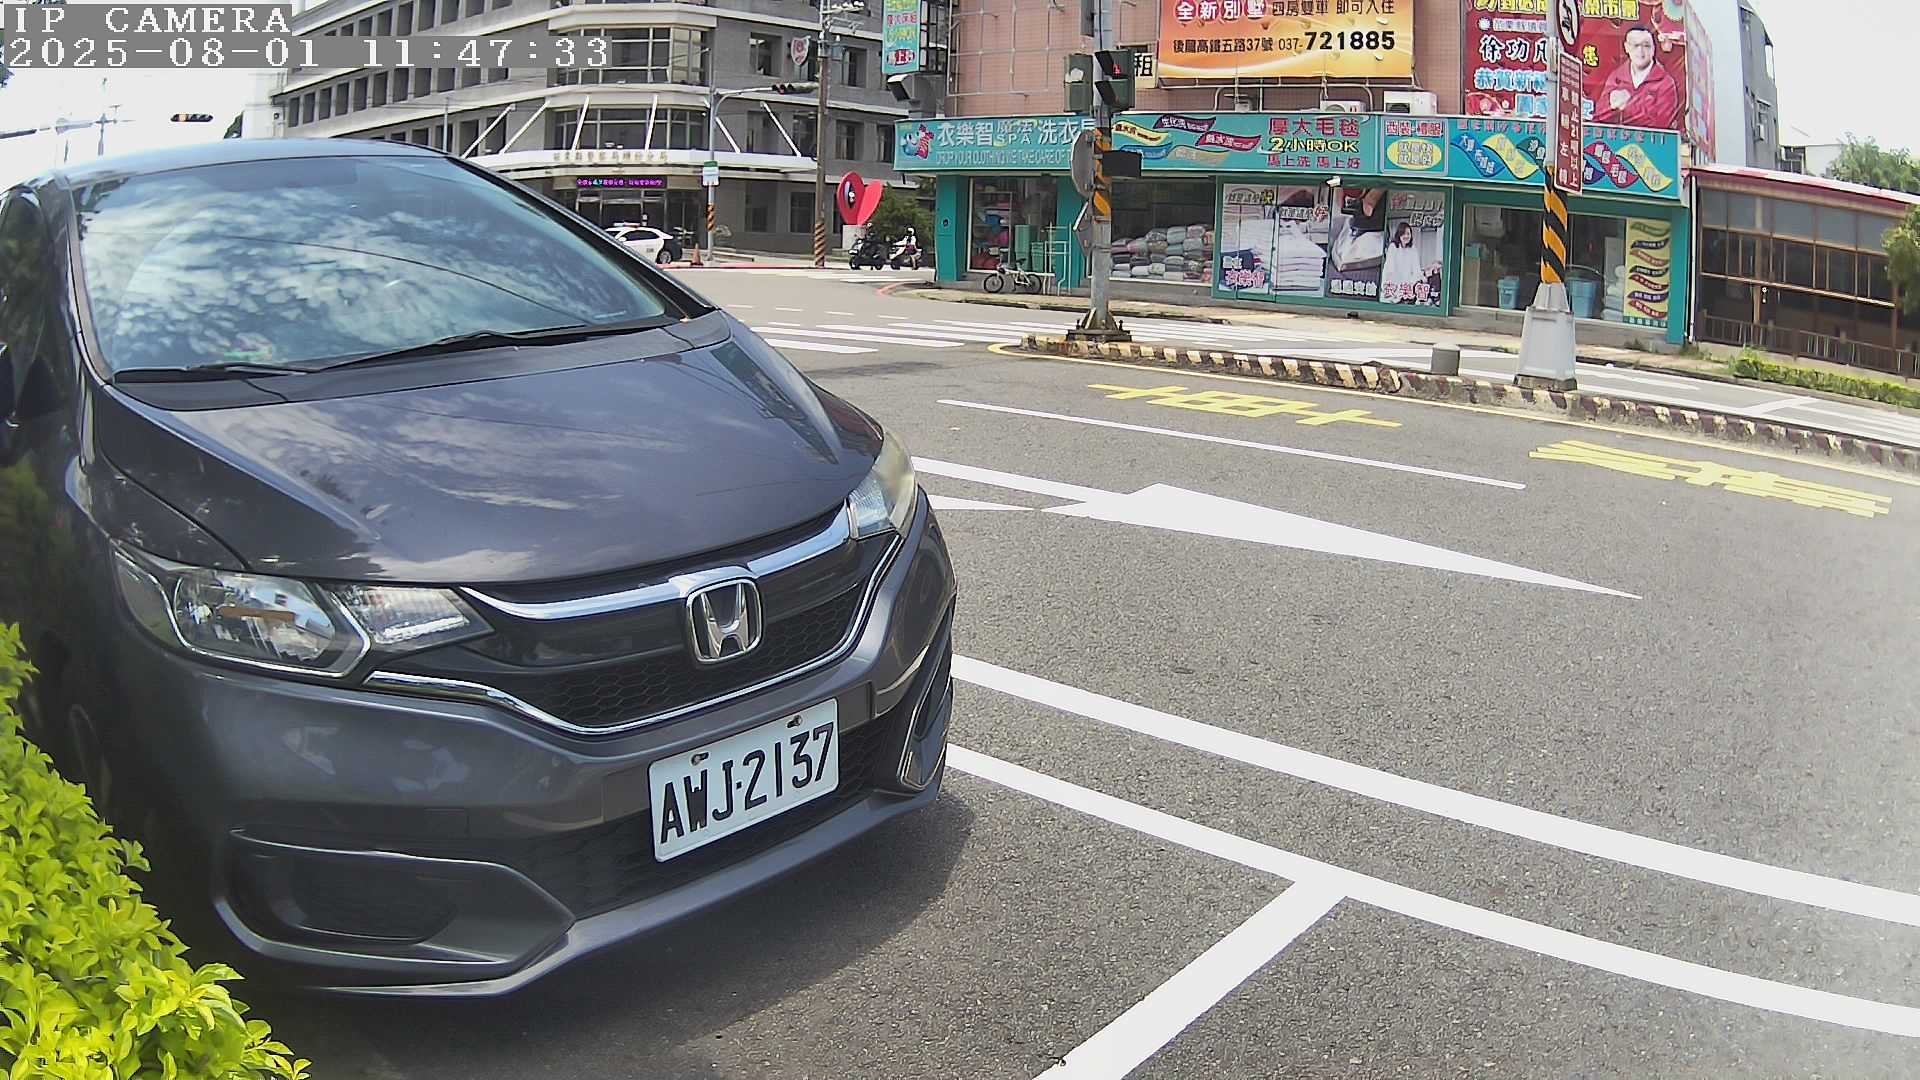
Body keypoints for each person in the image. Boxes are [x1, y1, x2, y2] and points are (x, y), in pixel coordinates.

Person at [1593, 24, 1682, 130]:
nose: (1640, 51)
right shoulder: (1616, 77)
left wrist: (1628, 105)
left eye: (1646, 46)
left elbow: (1662, 123)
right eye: (1635, 45)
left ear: (1653, 49)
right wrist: (1610, 104)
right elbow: (1598, 116)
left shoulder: (1665, 82)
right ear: (1626, 47)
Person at [1381, 222, 1427, 303]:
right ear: (1399, 235)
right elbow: (1390, 268)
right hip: (1393, 282)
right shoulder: (1393, 247)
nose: (1406, 236)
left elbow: (1416, 269)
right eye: (1403, 234)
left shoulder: (1413, 249)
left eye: (1408, 234)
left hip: (1407, 285)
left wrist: (1420, 278)